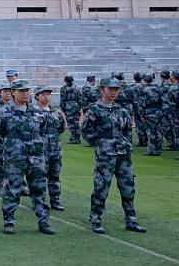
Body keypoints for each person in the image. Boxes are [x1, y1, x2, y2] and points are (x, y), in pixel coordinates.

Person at [81, 78, 146, 234]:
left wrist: (124, 144)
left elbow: (127, 131)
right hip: (105, 155)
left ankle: (131, 219)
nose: (114, 92)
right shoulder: (95, 109)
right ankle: (96, 219)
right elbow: (86, 131)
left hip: (123, 154)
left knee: (128, 187)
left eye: (116, 89)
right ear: (102, 90)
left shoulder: (121, 110)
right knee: (101, 187)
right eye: (110, 89)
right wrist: (101, 143)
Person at [0, 81, 54, 235]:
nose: (25, 93)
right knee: (12, 190)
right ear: (13, 92)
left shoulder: (37, 111)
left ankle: (44, 222)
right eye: (21, 91)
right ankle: (9, 221)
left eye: (27, 90)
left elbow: (43, 132)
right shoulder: (4, 112)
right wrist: (3, 155)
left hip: (35, 158)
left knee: (39, 190)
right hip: (15, 158)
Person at [34, 86, 67, 211]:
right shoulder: (33, 112)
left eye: (48, 94)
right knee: (39, 176)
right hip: (41, 150)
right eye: (43, 94)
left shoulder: (57, 112)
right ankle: (39, 202)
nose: (47, 97)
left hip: (55, 150)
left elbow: (62, 128)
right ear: (37, 96)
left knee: (55, 176)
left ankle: (55, 200)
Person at [60, 75, 82, 144]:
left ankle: (73, 138)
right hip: (76, 106)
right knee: (76, 122)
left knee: (70, 123)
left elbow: (62, 100)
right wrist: (79, 108)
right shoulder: (77, 88)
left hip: (68, 107)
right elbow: (79, 99)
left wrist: (63, 108)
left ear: (65, 81)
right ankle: (77, 138)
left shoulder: (63, 89)